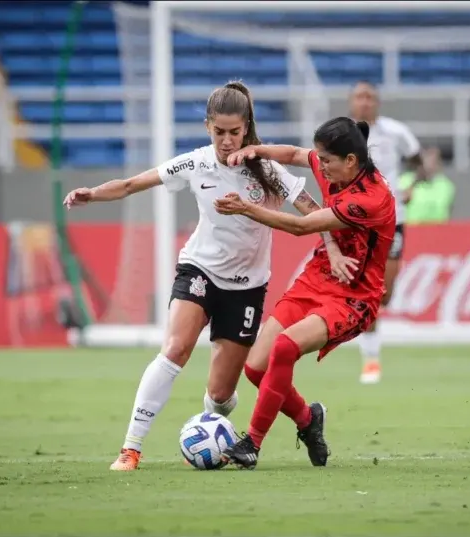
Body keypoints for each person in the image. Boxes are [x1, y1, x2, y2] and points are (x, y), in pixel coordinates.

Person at [62, 81, 358, 472]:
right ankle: (130, 449)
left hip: (247, 288)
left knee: (220, 395)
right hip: (199, 270)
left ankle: (221, 424)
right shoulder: (196, 162)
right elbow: (135, 183)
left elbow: (312, 209)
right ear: (208, 127)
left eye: (234, 132)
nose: (226, 140)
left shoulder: (268, 169)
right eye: (219, 132)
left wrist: (333, 248)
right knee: (176, 349)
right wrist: (93, 193)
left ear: (246, 126)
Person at [213, 116, 397, 469]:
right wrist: (256, 149)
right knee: (255, 369)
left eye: (326, 161)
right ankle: (307, 420)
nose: (320, 166)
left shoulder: (371, 200)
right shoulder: (335, 165)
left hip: (354, 297)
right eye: (321, 159)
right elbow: (296, 154)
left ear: (351, 161)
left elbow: (300, 226)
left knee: (284, 346)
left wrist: (247, 208)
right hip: (317, 278)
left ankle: (251, 443)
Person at [348, 80, 422, 385]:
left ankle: (369, 348)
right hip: (358, 220)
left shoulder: (396, 131)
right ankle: (371, 360)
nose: (365, 102)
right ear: (352, 102)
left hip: (393, 219)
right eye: (360, 97)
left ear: (377, 102)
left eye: (370, 97)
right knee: (369, 291)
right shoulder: (344, 134)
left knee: (385, 293)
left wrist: (410, 186)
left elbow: (420, 162)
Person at [400, 146, 456, 225]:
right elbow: (400, 202)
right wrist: (414, 182)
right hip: (412, 231)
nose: (428, 166)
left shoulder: (446, 185)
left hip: (438, 231)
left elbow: (447, 210)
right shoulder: (405, 180)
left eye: (433, 162)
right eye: (425, 161)